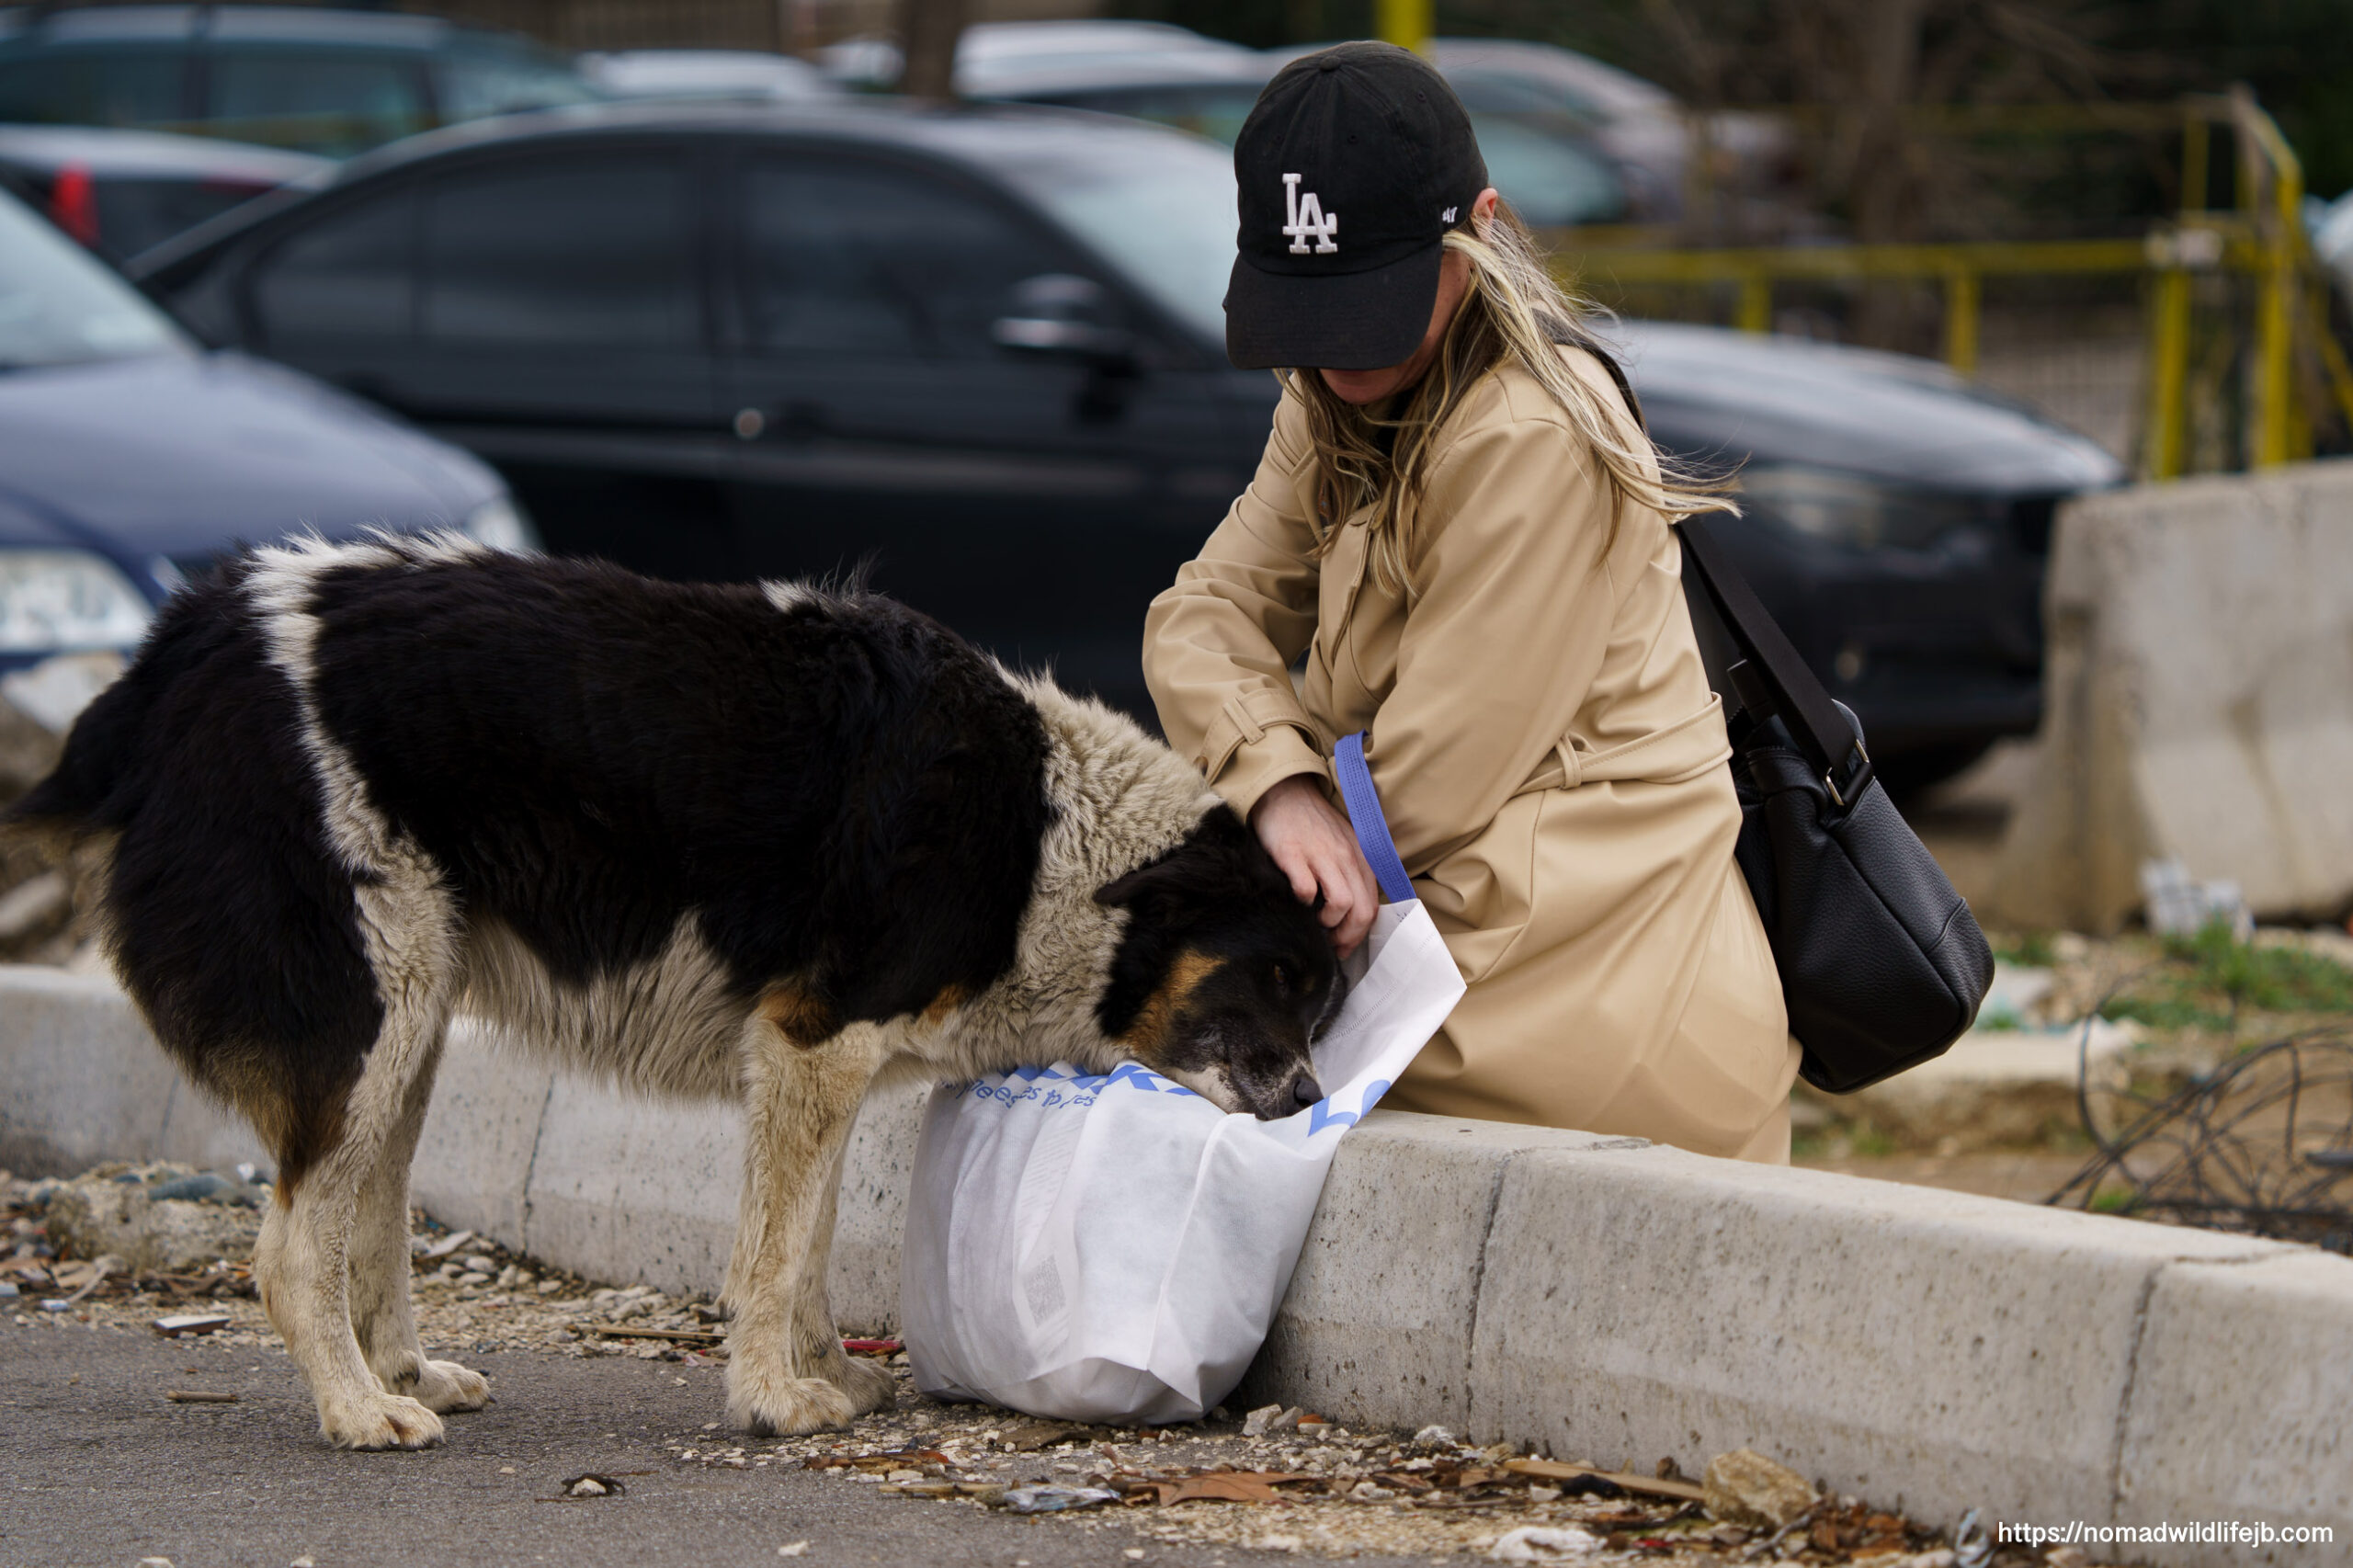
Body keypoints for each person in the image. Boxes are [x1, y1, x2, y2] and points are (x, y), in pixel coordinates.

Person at [1141, 41, 1800, 1162]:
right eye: (1307, 307)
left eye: (1368, 303)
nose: (1335, 351)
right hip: (1450, 976)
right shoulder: (1341, 392)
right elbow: (1201, 615)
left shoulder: (1532, 434)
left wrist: (1286, 800)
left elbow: (1422, 791)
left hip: (1593, 1033)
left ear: (1479, 228)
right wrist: (1280, 780)